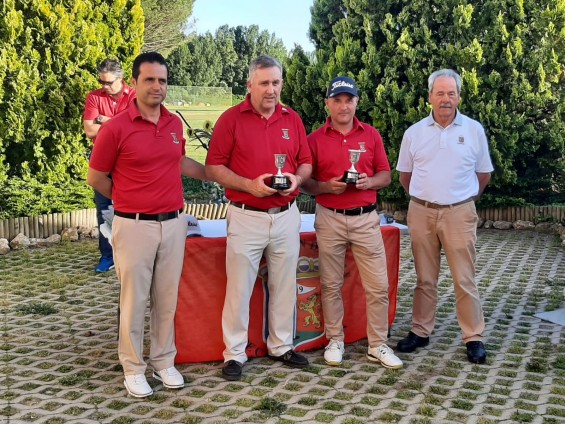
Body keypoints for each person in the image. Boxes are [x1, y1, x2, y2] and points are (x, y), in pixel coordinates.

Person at [87, 52, 206, 397]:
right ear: (135, 83)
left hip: (172, 223)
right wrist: (127, 198)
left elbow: (179, 160)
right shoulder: (117, 128)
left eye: (163, 80)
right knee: (134, 299)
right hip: (134, 225)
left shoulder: (172, 123)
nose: (157, 86)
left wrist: (216, 173)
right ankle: (133, 367)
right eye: (150, 79)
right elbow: (96, 177)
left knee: (166, 298)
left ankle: (164, 360)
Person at [205, 55, 313, 381]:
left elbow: (305, 163)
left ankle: (280, 345)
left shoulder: (292, 118)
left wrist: (297, 179)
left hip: (285, 216)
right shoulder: (231, 119)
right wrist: (248, 185)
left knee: (284, 284)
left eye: (276, 83)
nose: (271, 89)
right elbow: (213, 168)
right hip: (246, 216)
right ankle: (234, 354)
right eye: (264, 83)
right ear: (250, 84)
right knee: (239, 289)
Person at [300, 76, 403, 369]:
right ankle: (335, 339)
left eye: (349, 100)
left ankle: (378, 345)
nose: (343, 106)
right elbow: (305, 183)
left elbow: (386, 175)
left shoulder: (370, 135)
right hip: (329, 217)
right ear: (327, 104)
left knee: (378, 285)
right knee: (331, 284)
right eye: (337, 100)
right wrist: (324, 187)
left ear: (357, 102)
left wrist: (368, 181)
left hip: (365, 218)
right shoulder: (314, 139)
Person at [395, 69, 494, 364]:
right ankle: (421, 330)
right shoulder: (414, 133)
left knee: (465, 279)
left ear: (459, 96)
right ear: (430, 97)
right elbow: (405, 175)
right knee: (425, 278)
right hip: (421, 212)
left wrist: (462, 200)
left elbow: (484, 174)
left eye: (451, 93)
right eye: (440, 93)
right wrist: (426, 197)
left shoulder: (474, 130)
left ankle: (473, 336)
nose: (446, 99)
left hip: (459, 213)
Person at [83, 58, 136, 272]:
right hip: (102, 160)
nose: (104, 86)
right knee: (103, 207)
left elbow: (136, 129)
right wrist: (119, 122)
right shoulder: (94, 97)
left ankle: (132, 254)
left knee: (133, 206)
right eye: (101, 82)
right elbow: (89, 131)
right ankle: (107, 255)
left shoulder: (134, 96)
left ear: (121, 79)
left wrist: (107, 122)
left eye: (109, 83)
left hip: (128, 160)